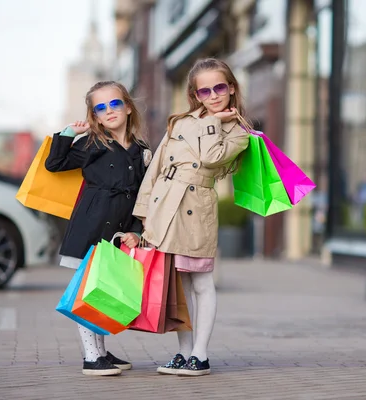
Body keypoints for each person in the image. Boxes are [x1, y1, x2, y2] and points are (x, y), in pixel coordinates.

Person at [132, 58, 250, 376]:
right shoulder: (179, 123)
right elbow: (155, 168)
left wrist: (213, 122)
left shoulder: (239, 132)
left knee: (200, 281)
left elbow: (211, 159)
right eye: (204, 91)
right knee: (178, 285)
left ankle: (201, 354)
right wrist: (143, 210)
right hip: (163, 206)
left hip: (196, 208)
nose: (213, 95)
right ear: (195, 94)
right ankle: (184, 352)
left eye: (220, 87)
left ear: (232, 88)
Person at [45, 81, 152, 376]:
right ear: (95, 115)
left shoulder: (141, 151)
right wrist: (69, 133)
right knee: (86, 292)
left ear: (128, 107)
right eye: (100, 107)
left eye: (115, 104)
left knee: (101, 291)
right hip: (90, 227)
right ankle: (91, 356)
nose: (109, 111)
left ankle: (101, 352)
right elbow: (55, 163)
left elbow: (144, 196)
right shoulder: (92, 144)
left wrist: (136, 230)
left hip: (118, 231)